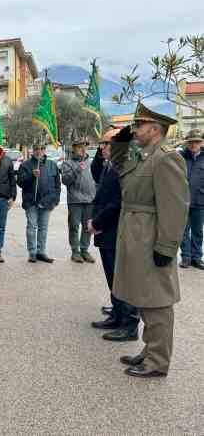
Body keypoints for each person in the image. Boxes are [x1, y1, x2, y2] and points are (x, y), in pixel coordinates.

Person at [110, 103, 189, 378]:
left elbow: (175, 207)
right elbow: (119, 171)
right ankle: (150, 350)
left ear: (155, 130)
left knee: (157, 303)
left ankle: (158, 361)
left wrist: (166, 247)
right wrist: (120, 143)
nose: (134, 130)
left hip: (151, 237)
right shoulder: (144, 156)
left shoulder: (167, 158)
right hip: (136, 235)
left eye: (139, 125)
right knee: (145, 299)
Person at [88, 128, 139, 341]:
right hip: (107, 230)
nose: (102, 148)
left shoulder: (124, 167)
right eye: (101, 143)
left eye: (106, 144)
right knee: (113, 277)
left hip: (115, 230)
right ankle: (117, 315)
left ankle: (129, 325)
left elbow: (117, 202)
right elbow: (98, 182)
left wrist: (97, 222)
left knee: (122, 278)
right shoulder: (113, 164)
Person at [61, 136, 97, 263]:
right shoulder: (67, 163)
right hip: (75, 201)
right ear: (74, 148)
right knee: (74, 226)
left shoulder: (91, 162)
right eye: (80, 147)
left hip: (90, 200)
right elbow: (65, 180)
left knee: (88, 227)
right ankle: (75, 251)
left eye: (84, 146)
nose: (83, 149)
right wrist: (77, 169)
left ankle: (84, 250)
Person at [178, 128, 204, 270]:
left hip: (200, 201)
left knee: (198, 231)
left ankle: (197, 257)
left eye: (197, 142)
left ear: (202, 143)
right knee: (183, 230)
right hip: (182, 201)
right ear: (187, 143)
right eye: (191, 142)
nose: (194, 145)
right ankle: (186, 257)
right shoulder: (180, 157)